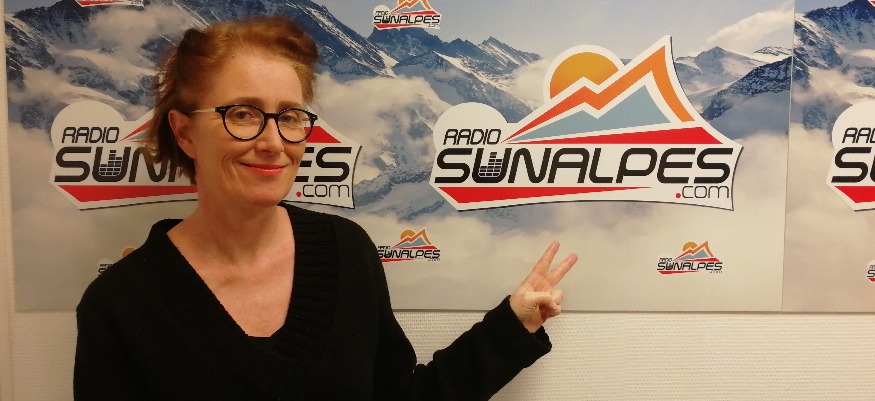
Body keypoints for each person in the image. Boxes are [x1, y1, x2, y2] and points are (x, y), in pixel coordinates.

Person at [73, 15, 577, 401]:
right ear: (184, 132)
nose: (273, 142)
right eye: (242, 114)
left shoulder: (345, 251)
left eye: (290, 116)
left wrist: (510, 328)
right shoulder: (120, 305)